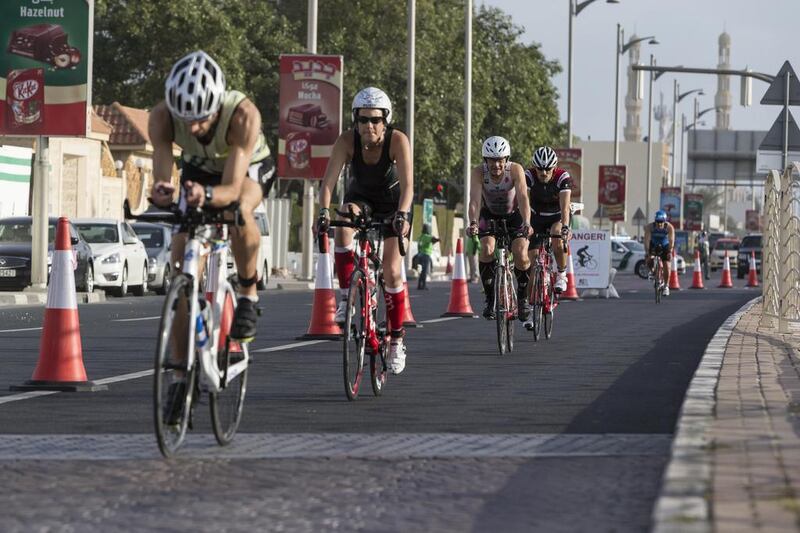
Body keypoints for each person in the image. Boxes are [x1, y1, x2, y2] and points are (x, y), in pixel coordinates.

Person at [148, 50, 273, 421]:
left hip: (246, 169)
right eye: (187, 120)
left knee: (238, 213)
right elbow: (161, 173)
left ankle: (248, 292)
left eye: (201, 119)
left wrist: (210, 197)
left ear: (216, 105)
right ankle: (179, 375)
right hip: (199, 170)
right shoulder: (161, 117)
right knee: (181, 252)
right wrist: (162, 191)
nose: (195, 127)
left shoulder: (243, 115)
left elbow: (233, 188)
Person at [316, 87, 413, 375]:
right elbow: (328, 184)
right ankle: (347, 296)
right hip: (360, 200)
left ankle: (396, 340)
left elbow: (408, 186)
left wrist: (404, 215)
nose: (368, 126)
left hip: (393, 205)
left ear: (386, 121)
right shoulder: (347, 141)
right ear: (354, 121)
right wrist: (322, 212)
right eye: (362, 120)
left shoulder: (397, 140)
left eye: (374, 120)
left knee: (392, 272)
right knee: (343, 219)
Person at [466, 136, 532, 321]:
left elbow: (523, 197)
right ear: (485, 160)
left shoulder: (516, 169)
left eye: (500, 160)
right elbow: (475, 201)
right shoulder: (479, 172)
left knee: (521, 253)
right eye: (492, 160)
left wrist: (527, 222)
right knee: (486, 250)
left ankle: (522, 296)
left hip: (513, 215)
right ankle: (489, 298)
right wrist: (473, 222)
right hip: (489, 215)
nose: (496, 165)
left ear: (507, 159)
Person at [525, 146, 572, 297]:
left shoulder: (562, 177)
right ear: (534, 167)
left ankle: (562, 275)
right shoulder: (529, 176)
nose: (543, 173)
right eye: (539, 169)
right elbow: (523, 201)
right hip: (536, 217)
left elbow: (565, 208)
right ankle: (530, 308)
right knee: (533, 266)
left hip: (556, 216)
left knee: (556, 234)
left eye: (547, 169)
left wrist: (565, 227)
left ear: (555, 167)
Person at [644, 210, 675, 295]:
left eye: (661, 222)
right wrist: (647, 252)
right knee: (649, 259)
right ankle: (653, 272)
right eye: (657, 222)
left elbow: (671, 240)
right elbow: (647, 240)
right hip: (654, 244)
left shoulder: (669, 227)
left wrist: (670, 251)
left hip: (665, 245)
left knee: (667, 264)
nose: (659, 224)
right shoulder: (650, 227)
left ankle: (666, 286)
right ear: (655, 221)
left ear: (664, 221)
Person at [416, 223, 439, 290]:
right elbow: (433, 239)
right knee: (424, 271)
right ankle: (424, 285)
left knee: (420, 271)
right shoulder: (427, 236)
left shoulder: (421, 237)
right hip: (426, 255)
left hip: (419, 255)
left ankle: (419, 285)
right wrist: (438, 240)